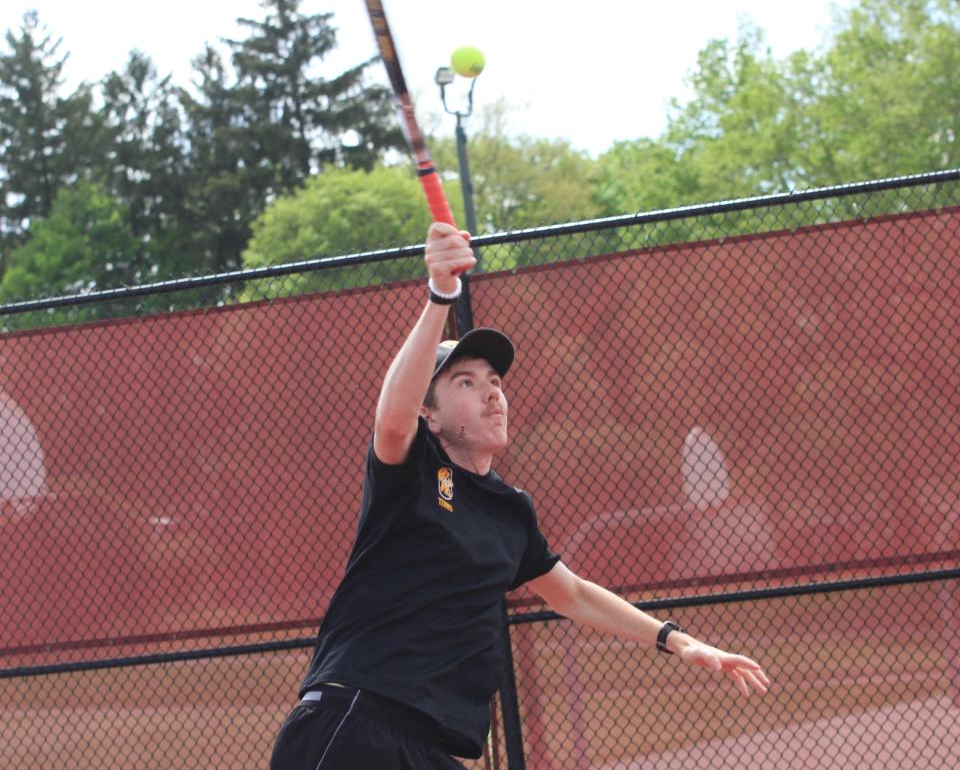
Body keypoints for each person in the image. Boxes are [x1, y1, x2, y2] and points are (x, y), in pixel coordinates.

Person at [270, 222, 771, 770]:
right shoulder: (411, 469)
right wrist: (439, 293)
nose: (491, 392)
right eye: (465, 381)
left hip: (434, 749)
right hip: (355, 724)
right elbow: (391, 417)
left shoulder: (510, 511)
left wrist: (680, 642)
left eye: (496, 382)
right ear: (430, 414)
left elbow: (573, 594)